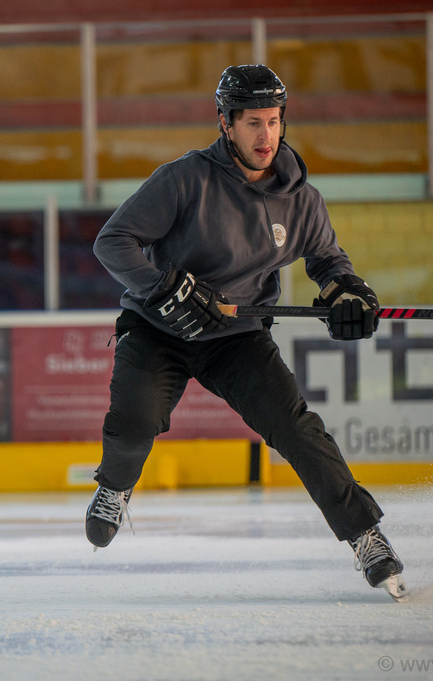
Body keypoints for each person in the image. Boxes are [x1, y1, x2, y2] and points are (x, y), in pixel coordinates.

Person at [86, 64, 407, 601]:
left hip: (237, 337)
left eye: (275, 121)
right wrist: (163, 286)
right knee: (134, 421)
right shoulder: (185, 179)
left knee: (301, 433)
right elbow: (112, 241)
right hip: (159, 328)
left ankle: (366, 536)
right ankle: (115, 488)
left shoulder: (301, 199)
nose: (266, 136)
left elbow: (328, 262)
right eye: (253, 122)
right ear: (225, 124)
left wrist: (346, 293)